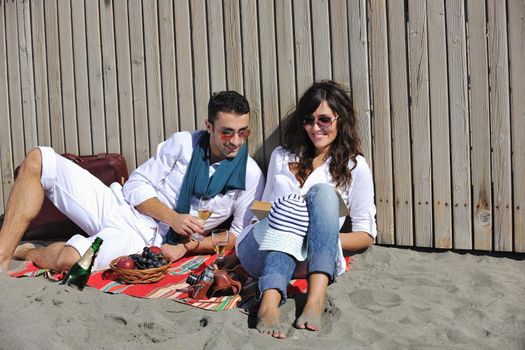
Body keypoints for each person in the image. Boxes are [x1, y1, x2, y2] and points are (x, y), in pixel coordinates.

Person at [0, 91, 265, 273]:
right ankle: (2, 257)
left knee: (73, 261)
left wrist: (187, 246)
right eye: (227, 132)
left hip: (139, 239)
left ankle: (26, 252)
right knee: (39, 159)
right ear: (209, 126)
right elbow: (135, 185)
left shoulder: (250, 175)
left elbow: (240, 235)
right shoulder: (183, 144)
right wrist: (173, 217)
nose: (236, 141)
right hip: (119, 206)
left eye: (243, 132)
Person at [235, 80, 377, 339]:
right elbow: (263, 211)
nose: (315, 128)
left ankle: (315, 299)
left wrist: (313, 238)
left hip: (309, 259)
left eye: (324, 120)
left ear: (340, 119)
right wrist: (290, 223)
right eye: (308, 120)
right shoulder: (282, 156)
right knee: (290, 205)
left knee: (323, 193)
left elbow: (366, 235)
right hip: (262, 250)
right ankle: (269, 302)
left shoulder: (355, 167)